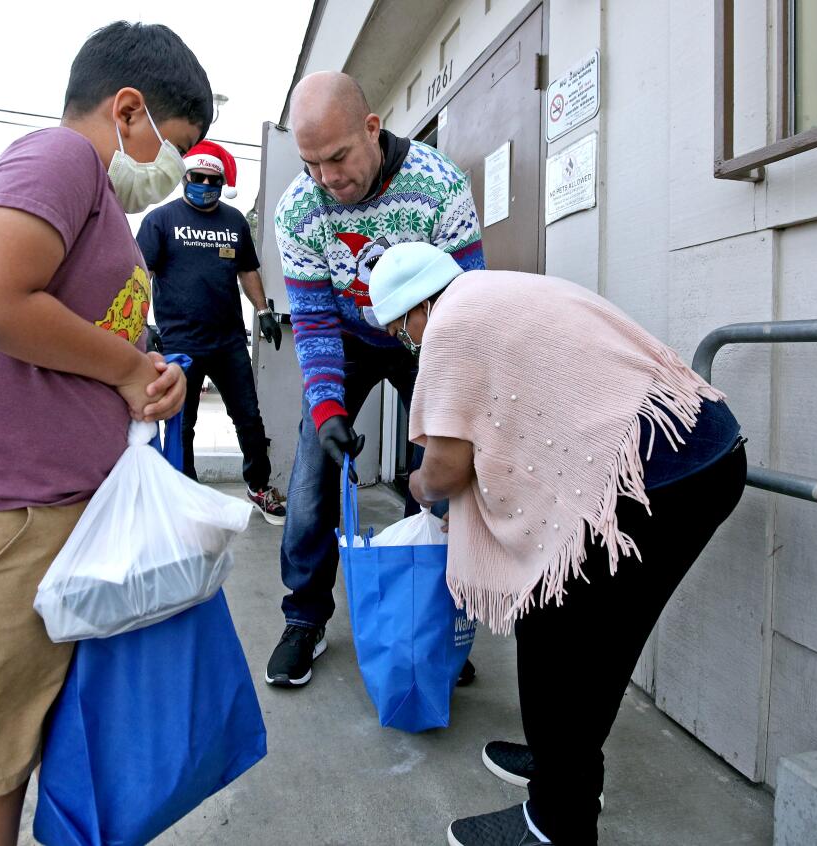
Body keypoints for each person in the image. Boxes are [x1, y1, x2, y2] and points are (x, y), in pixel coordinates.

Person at [0, 22, 209, 846]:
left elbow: (88, 335)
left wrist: (150, 371)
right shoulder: (60, 159)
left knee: (33, 742)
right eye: (175, 146)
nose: (174, 172)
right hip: (4, 517)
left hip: (61, 511)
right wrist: (121, 369)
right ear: (128, 109)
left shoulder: (98, 199)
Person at [366, 243, 747, 846]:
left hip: (656, 480)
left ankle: (556, 822)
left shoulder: (451, 325)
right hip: (701, 454)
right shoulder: (504, 290)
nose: (408, 342)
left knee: (559, 638)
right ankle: (561, 766)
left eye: (401, 330)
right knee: (587, 641)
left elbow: (444, 469)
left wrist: (415, 484)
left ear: (416, 310)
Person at [265, 71, 486, 687]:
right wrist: (328, 408)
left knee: (445, 481)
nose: (328, 178)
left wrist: (448, 416)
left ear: (371, 128)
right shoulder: (299, 211)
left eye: (337, 157)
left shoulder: (440, 185)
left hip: (429, 341)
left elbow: (464, 308)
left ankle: (435, 619)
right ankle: (304, 619)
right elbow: (311, 320)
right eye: (311, 164)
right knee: (311, 479)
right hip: (348, 340)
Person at [137, 140, 286, 523]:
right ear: (184, 178)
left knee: (248, 416)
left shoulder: (234, 221)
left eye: (212, 179)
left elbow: (247, 269)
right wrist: (141, 325)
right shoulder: (161, 220)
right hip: (180, 340)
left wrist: (264, 310)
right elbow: (141, 274)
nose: (204, 183)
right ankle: (184, 490)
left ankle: (258, 485)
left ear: (222, 183)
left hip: (228, 340)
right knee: (181, 422)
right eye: (197, 178)